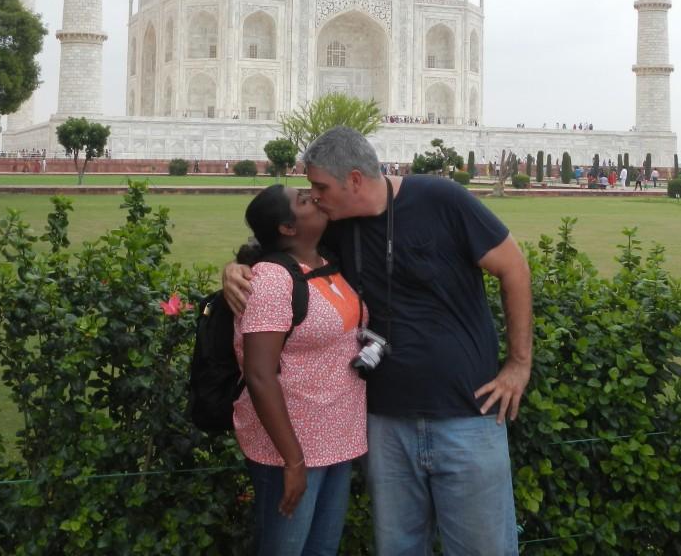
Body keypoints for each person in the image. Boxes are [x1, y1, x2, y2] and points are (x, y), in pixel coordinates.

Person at [224, 127, 532, 556]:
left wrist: (519, 364)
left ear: (353, 180)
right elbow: (280, 247)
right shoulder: (336, 224)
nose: (314, 197)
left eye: (319, 186)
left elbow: (514, 267)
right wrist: (236, 268)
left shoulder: (441, 200)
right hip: (385, 423)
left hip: (468, 414)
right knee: (399, 548)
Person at [232, 184, 366, 556]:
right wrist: (293, 460)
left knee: (320, 550)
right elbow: (259, 374)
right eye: (304, 200)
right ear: (287, 228)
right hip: (290, 450)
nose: (316, 198)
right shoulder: (273, 280)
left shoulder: (326, 262)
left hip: (335, 442)